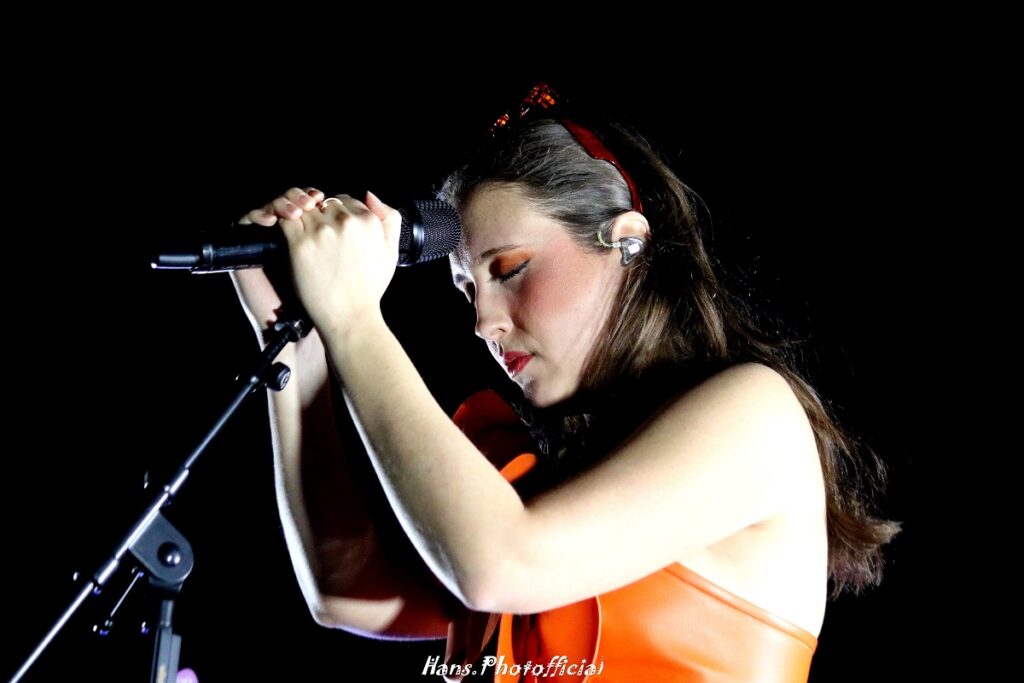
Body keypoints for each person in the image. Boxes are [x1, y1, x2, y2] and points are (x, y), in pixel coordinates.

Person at [230, 82, 900, 682]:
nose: (484, 323)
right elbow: (347, 586)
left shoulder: (757, 415)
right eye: (468, 290)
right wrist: (293, 336)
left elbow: (497, 564)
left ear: (626, 241)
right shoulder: (546, 484)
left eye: (510, 269)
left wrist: (353, 317)